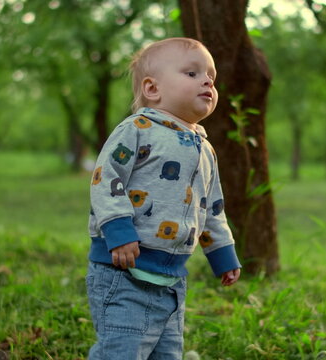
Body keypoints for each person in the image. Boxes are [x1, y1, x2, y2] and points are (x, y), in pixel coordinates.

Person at [86, 37, 241, 360]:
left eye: (210, 75)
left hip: (171, 281)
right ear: (153, 89)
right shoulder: (138, 129)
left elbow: (211, 208)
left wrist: (222, 253)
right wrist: (118, 230)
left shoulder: (205, 149)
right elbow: (106, 178)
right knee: (122, 350)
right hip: (124, 269)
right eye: (192, 73)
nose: (208, 80)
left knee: (167, 353)